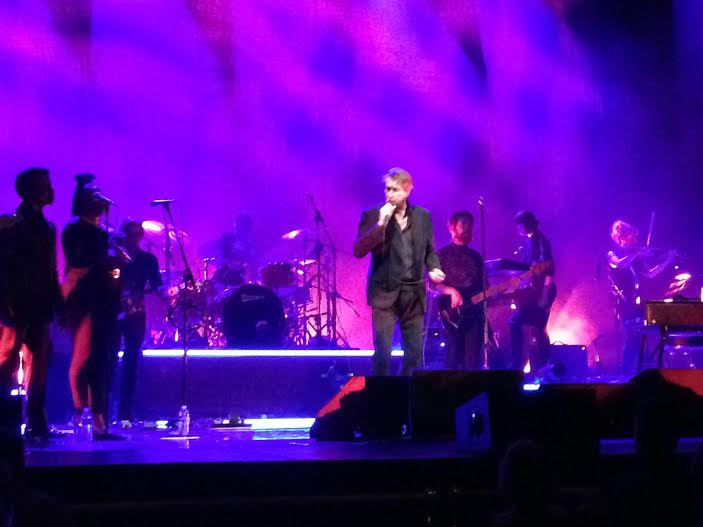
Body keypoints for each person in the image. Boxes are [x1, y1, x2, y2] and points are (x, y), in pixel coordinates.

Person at [353, 167, 445, 375]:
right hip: (384, 292)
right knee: (383, 353)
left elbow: (430, 250)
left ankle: (408, 393)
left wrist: (434, 267)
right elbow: (358, 250)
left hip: (413, 294)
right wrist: (380, 224)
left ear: (408, 190)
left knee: (413, 355)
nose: (389, 194)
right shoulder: (372, 215)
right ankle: (382, 393)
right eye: (387, 189)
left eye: (394, 190)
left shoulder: (423, 216)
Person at [0, 168, 63, 442]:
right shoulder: (10, 225)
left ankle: (37, 422)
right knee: (7, 363)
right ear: (31, 191)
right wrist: (5, 304)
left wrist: (57, 303)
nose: (51, 191)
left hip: (39, 305)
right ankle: (6, 422)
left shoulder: (48, 227)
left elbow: (50, 270)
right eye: (45, 185)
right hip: (16, 304)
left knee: (39, 366)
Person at [62, 174, 122, 440]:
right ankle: (83, 413)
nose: (100, 201)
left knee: (102, 360)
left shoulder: (102, 233)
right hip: (84, 300)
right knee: (84, 357)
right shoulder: (76, 230)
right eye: (94, 196)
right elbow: (80, 262)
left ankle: (99, 419)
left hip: (103, 303)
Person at [606, 220, 677, 373]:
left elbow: (650, 274)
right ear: (621, 237)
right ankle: (625, 371)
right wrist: (636, 253)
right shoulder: (612, 254)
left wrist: (668, 260)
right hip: (623, 300)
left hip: (636, 301)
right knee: (630, 335)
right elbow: (620, 264)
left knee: (639, 335)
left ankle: (639, 370)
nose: (635, 241)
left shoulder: (635, 256)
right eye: (632, 237)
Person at [113, 220, 163, 428]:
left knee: (131, 359)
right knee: (110, 358)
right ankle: (106, 409)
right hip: (113, 311)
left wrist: (168, 292)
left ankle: (125, 412)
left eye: (136, 236)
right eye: (129, 235)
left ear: (141, 237)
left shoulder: (148, 259)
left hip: (136, 313)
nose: (132, 240)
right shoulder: (113, 258)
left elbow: (158, 285)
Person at [435, 211, 487, 370]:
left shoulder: (476, 257)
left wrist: (496, 293)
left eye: (469, 224)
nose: (467, 227)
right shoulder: (442, 254)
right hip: (452, 314)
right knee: (453, 357)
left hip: (475, 314)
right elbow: (432, 284)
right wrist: (451, 291)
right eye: (463, 224)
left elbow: (484, 286)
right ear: (452, 228)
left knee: (473, 362)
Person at [509, 210, 556, 373]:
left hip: (543, 292)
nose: (518, 229)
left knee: (537, 327)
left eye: (519, 225)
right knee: (521, 323)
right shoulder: (527, 243)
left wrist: (544, 296)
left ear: (527, 224)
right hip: (531, 292)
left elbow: (549, 270)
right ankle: (526, 366)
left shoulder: (541, 241)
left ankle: (542, 366)